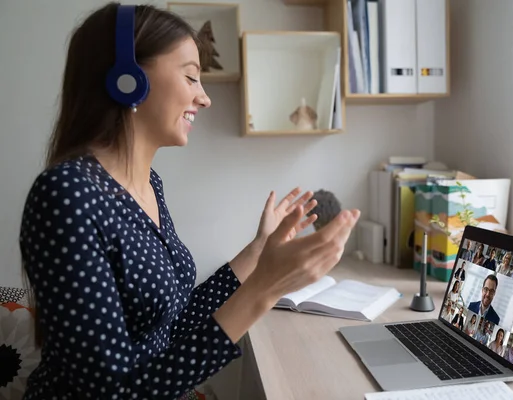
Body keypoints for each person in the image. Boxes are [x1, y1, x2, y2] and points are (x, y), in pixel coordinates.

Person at [18, 3, 360, 399]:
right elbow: (113, 393)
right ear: (127, 79)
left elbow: (172, 325)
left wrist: (258, 252)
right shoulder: (66, 196)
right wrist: (263, 290)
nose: (204, 98)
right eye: (191, 77)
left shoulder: (149, 186)